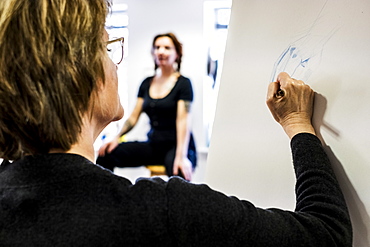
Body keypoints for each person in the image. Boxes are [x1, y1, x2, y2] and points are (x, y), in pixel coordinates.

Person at [0, 0, 352, 246]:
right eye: (107, 48)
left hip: (172, 145)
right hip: (152, 151)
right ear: (82, 74)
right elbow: (327, 234)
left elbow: (183, 124)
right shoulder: (164, 214)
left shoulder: (182, 83)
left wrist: (181, 157)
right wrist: (296, 122)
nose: (115, 64)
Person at [97, 32, 196, 181]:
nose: (161, 51)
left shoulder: (183, 84)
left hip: (177, 147)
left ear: (177, 54)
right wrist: (116, 138)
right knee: (106, 154)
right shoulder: (146, 83)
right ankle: (104, 200)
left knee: (178, 173)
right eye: (157, 47)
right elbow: (133, 117)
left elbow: (183, 121)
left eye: (167, 48)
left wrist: (181, 156)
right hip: (154, 145)